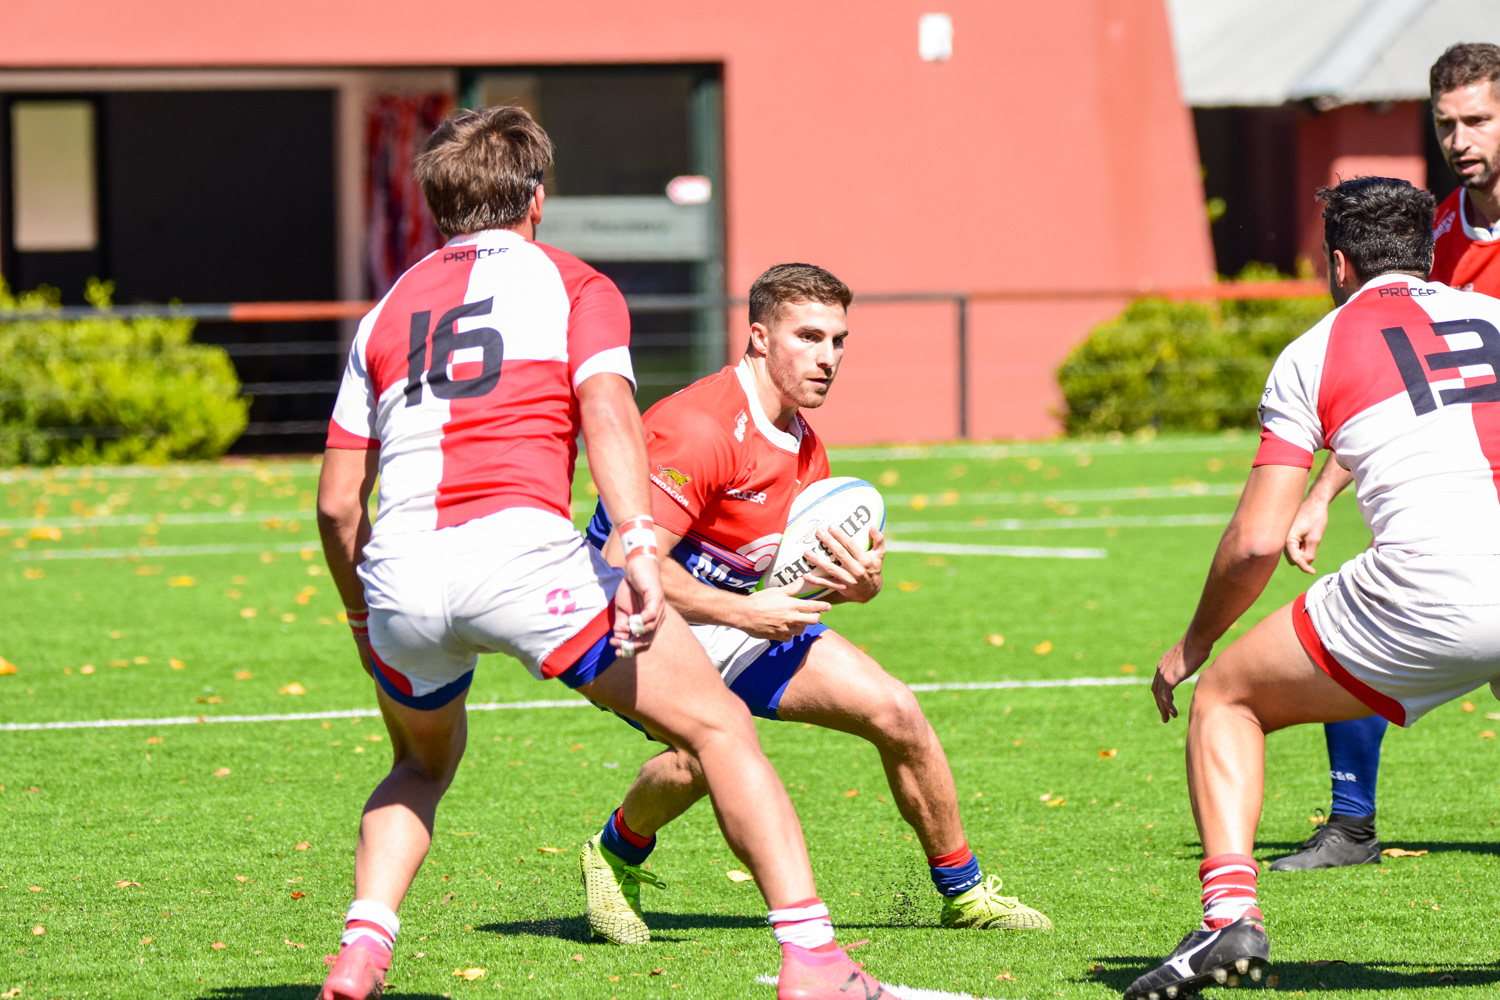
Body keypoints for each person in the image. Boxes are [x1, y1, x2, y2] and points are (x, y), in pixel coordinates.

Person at [315, 106, 901, 1000]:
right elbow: (608, 418)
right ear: (538, 200)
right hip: (522, 558)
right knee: (719, 727)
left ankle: (364, 945)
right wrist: (635, 545)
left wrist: (362, 614)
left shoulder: (383, 313)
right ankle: (815, 961)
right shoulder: (576, 286)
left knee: (419, 765)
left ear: (439, 207)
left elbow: (333, 504)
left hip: (399, 569)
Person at [575, 262, 1051, 947]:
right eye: (809, 337)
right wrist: (745, 613)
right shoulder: (699, 428)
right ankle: (613, 855)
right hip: (625, 624)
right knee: (711, 749)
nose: (828, 358)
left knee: (896, 711)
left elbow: (789, 574)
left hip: (735, 612)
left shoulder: (804, 447)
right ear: (760, 338)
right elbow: (621, 571)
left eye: (838, 340)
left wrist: (853, 583)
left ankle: (964, 892)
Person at [1127, 175, 1500, 1000]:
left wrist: (1195, 642)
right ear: (1430, 250)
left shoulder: (1316, 349)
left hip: (1434, 588)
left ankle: (1228, 922)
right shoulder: (1493, 315)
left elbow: (1257, 540)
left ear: (1337, 263)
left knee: (1226, 697)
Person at [1272, 41, 1500, 872]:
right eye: (1446, 124)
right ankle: (1352, 823)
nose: (1460, 139)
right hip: (1458, 478)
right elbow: (1392, 378)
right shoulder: (1434, 237)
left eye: (1478, 119)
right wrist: (1322, 492)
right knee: (1366, 603)